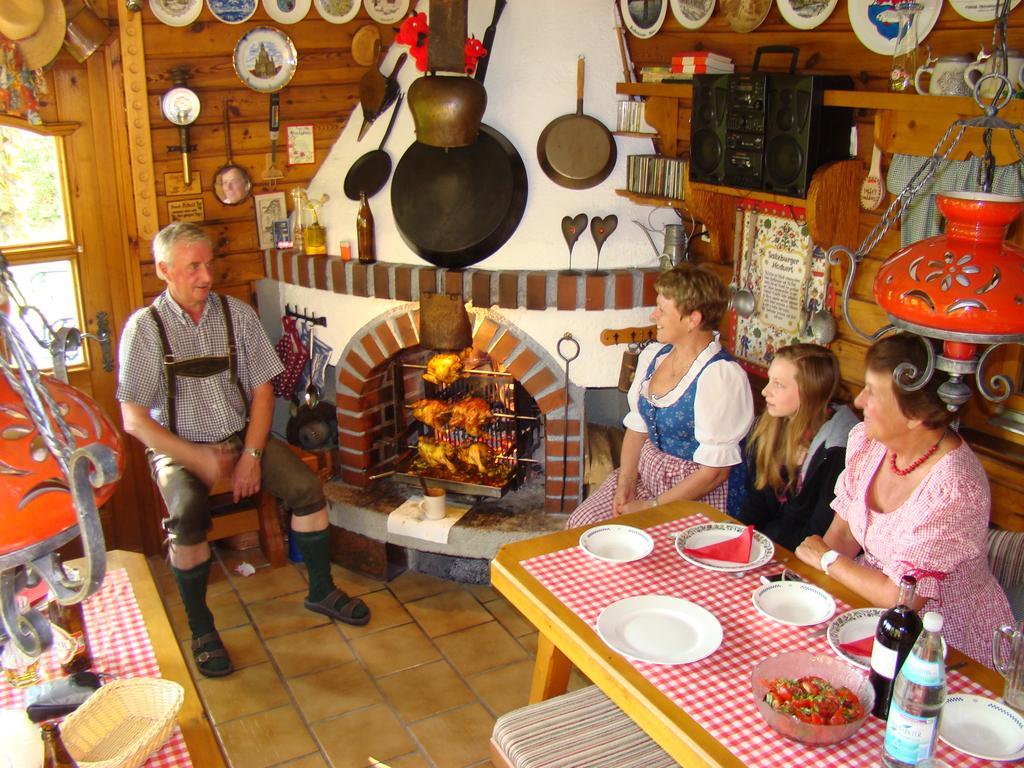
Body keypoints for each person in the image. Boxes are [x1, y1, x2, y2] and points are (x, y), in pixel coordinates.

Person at [117, 222, 369, 678]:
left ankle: (320, 589)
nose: (206, 276)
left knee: (306, 488)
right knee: (188, 516)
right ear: (164, 270)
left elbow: (263, 392)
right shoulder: (145, 330)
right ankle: (201, 628)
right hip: (177, 447)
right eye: (193, 267)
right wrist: (195, 459)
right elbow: (134, 419)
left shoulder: (237, 315)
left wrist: (251, 456)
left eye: (208, 264)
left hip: (241, 436)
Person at [795, 333, 1013, 666]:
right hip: (872, 618)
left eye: (873, 392)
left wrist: (826, 561)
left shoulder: (955, 488)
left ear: (915, 415)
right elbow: (843, 533)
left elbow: (901, 597)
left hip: (943, 648)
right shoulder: (869, 443)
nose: (858, 401)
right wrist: (809, 593)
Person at [567, 264, 754, 528]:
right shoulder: (654, 356)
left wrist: (650, 508)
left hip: (697, 495)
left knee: (643, 555)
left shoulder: (720, 377)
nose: (654, 315)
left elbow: (715, 474)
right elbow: (638, 428)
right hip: (647, 476)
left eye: (662, 310)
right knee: (581, 524)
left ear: (693, 320)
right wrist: (626, 483)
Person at [736, 344, 859, 551]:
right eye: (769, 380)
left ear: (810, 391)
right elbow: (756, 502)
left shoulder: (838, 451)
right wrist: (737, 538)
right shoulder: (768, 428)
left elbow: (818, 529)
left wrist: (769, 555)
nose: (765, 391)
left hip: (802, 558)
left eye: (779, 384)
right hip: (768, 545)